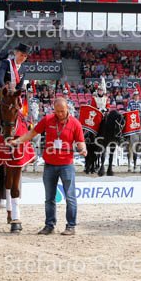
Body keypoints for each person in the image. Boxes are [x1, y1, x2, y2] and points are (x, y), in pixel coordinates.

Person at [9, 97, 87, 236]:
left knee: (70, 197)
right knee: (49, 198)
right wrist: (18, 141)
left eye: (62, 111)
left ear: (67, 109)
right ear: (53, 109)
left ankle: (71, 226)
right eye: (57, 111)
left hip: (67, 166)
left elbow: (81, 141)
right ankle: (49, 225)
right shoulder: (48, 119)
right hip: (49, 165)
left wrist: (82, 149)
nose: (60, 114)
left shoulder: (75, 123)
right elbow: (32, 133)